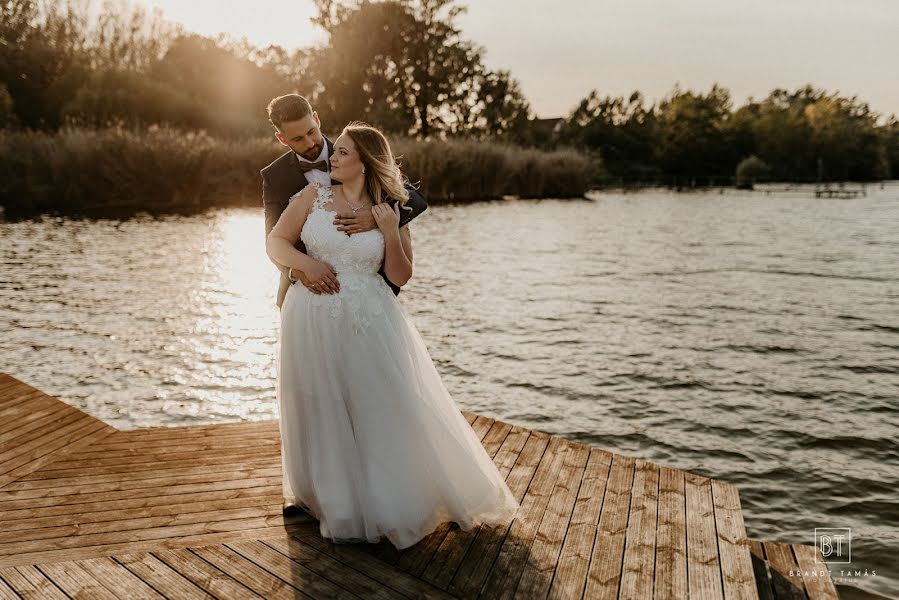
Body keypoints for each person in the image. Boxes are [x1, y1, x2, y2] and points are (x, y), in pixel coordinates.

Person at [266, 122, 520, 550]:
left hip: (370, 316)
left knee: (380, 404)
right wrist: (303, 267)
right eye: (336, 152)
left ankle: (386, 499)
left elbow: (401, 274)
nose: (333, 157)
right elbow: (275, 241)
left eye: (343, 152)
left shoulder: (391, 208)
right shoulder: (311, 196)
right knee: (320, 405)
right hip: (309, 316)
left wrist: (386, 229)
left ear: (364, 161)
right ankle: (331, 499)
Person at [261, 94, 428, 309]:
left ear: (316, 119)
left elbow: (413, 198)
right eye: (298, 139)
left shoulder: (352, 147)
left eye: (311, 131)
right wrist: (299, 270)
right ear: (282, 139)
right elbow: (273, 238)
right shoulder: (274, 176)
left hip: (369, 297)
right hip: (307, 297)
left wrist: (378, 216)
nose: (310, 142)